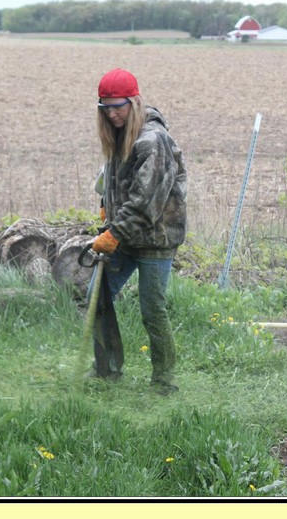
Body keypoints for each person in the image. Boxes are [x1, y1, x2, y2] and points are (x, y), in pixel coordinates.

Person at [88, 68, 187, 394]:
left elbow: (147, 202)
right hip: (125, 235)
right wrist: (106, 206)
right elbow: (113, 182)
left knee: (152, 311)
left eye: (118, 107)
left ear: (134, 102)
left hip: (155, 240)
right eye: (105, 108)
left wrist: (113, 234)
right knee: (96, 296)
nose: (112, 114)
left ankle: (164, 380)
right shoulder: (119, 136)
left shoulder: (153, 141)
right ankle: (107, 370)